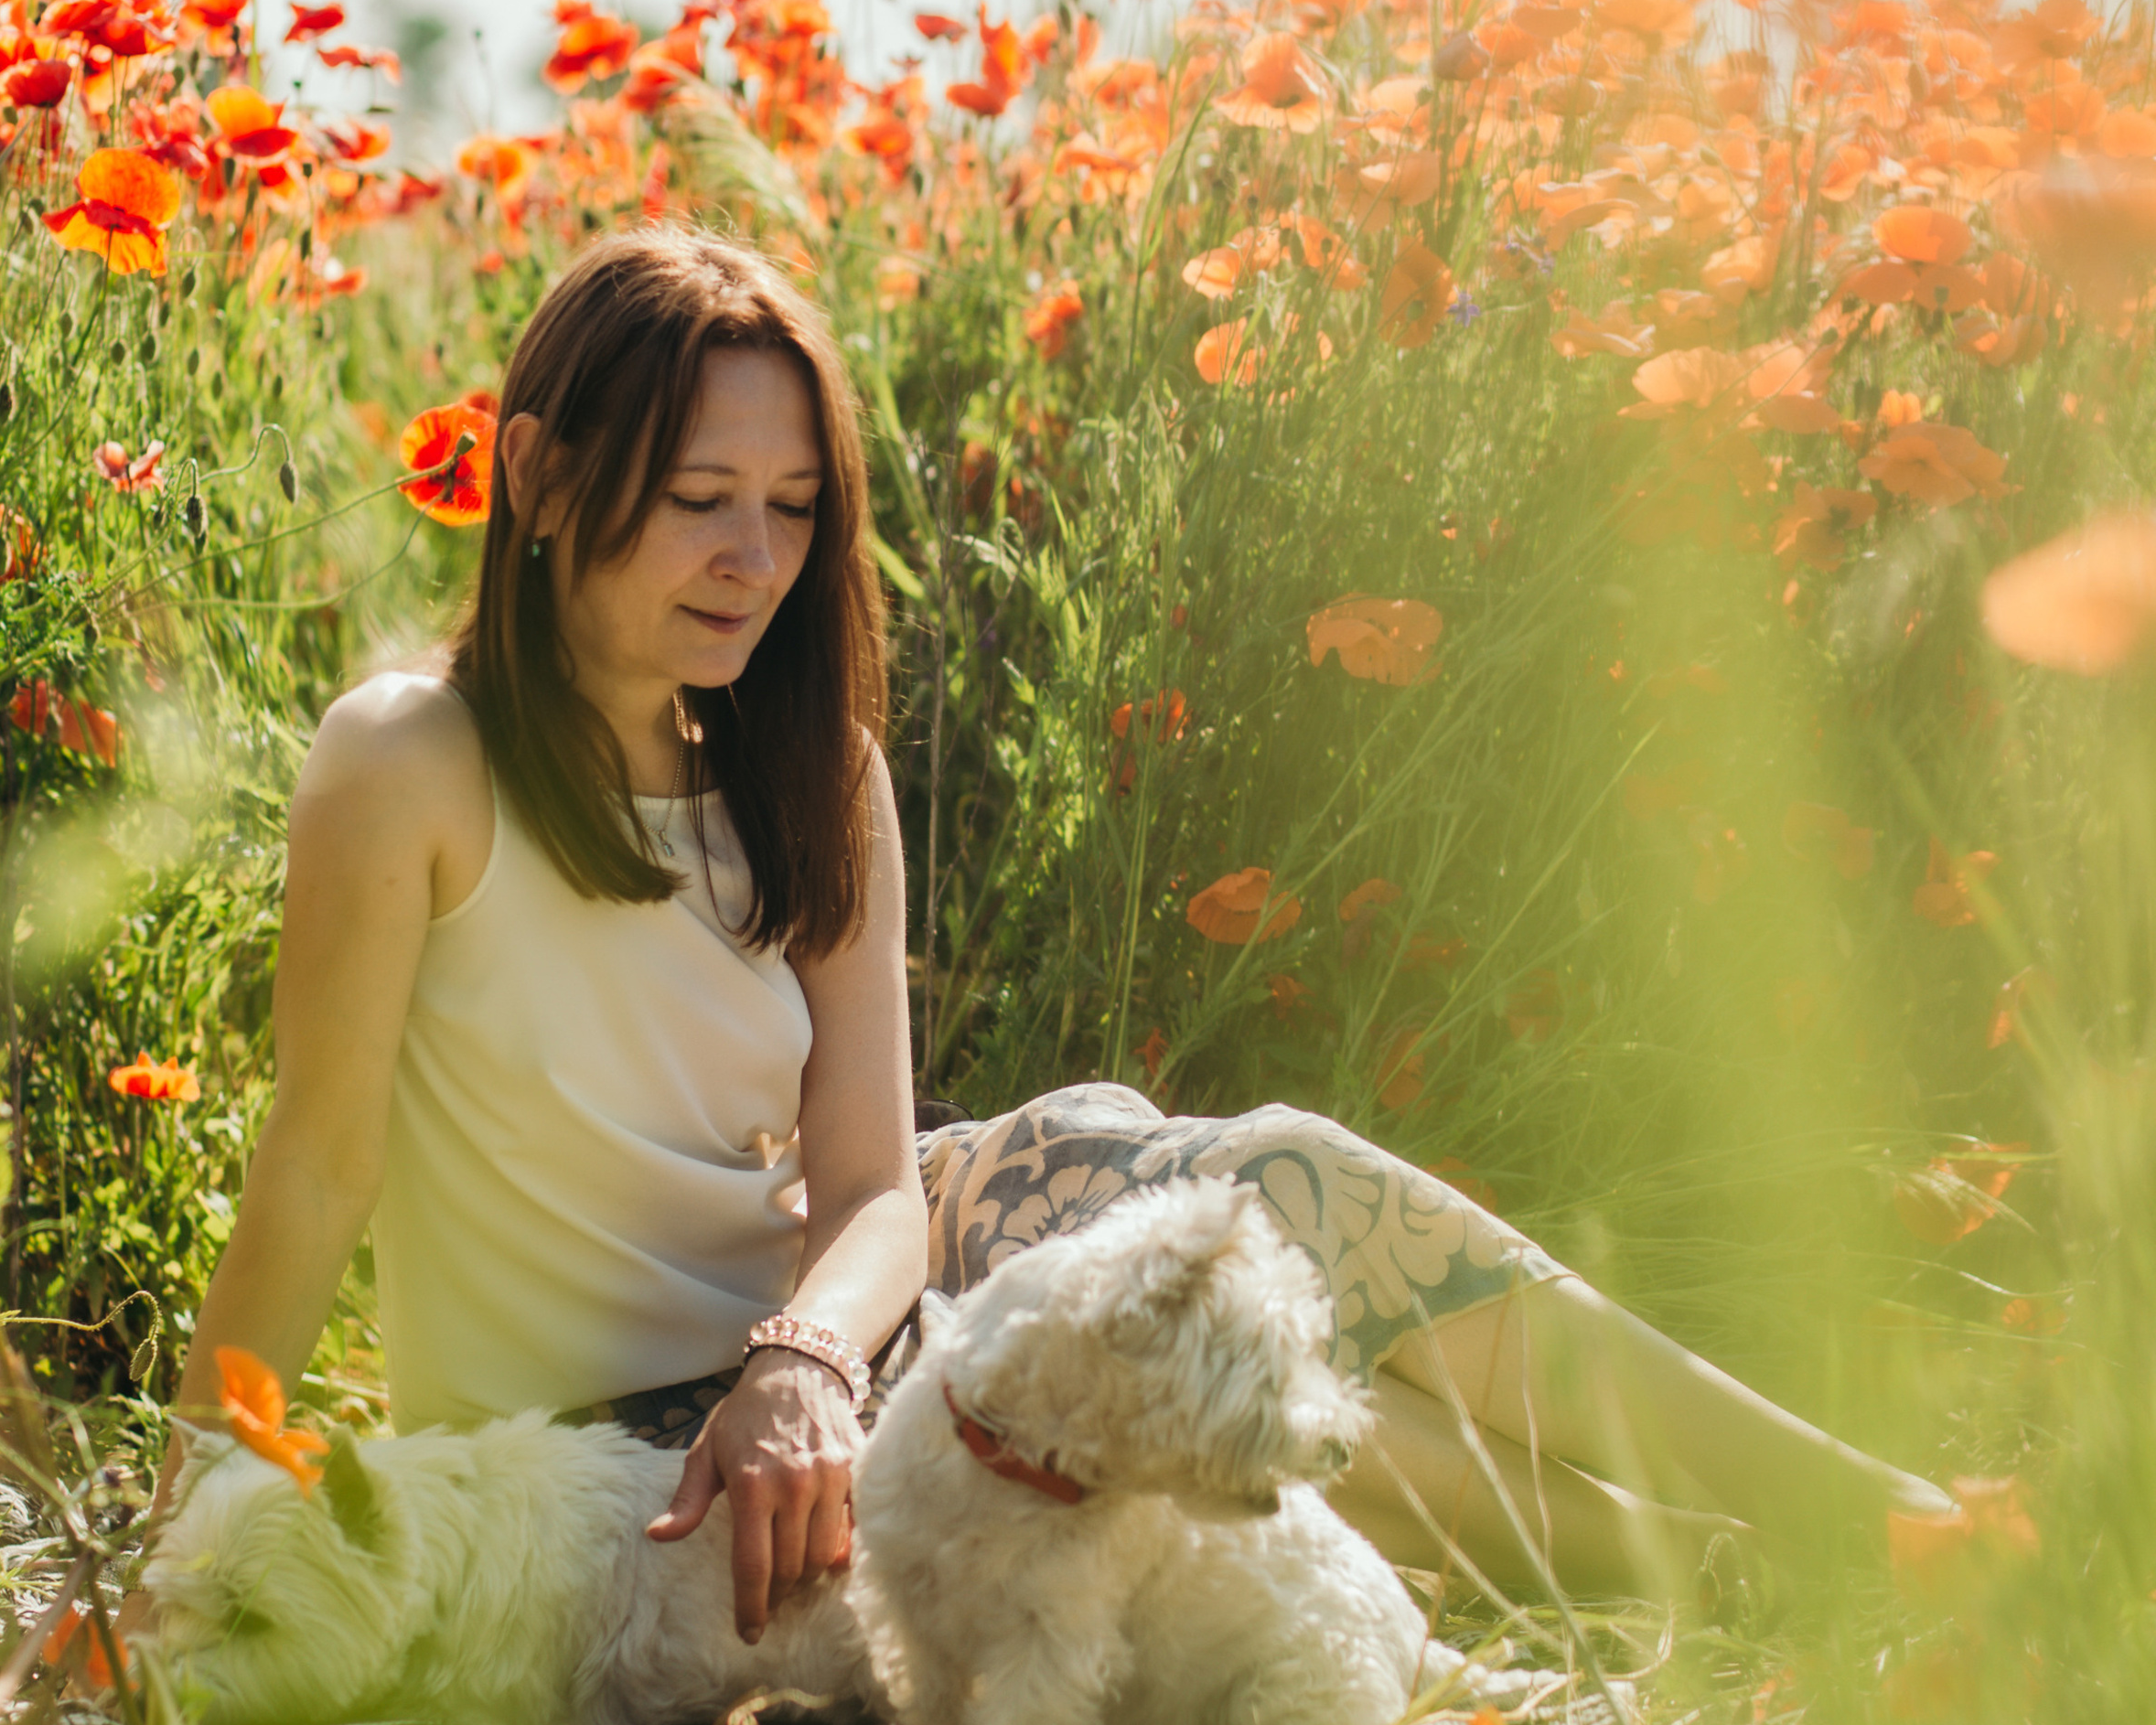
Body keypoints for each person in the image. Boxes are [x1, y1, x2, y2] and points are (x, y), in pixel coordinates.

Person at [142, 227, 1948, 1651]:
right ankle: (1769, 1573)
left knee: (1281, 1179)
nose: (749, 560)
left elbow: (864, 1184)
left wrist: (800, 1358)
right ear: (533, 474)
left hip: (824, 1314)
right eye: (699, 497)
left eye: (789, 510)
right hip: (620, 1429)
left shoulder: (811, 775)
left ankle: (1889, 1523)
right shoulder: (411, 760)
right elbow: (318, 1168)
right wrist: (175, 1525)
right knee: (1253, 1437)